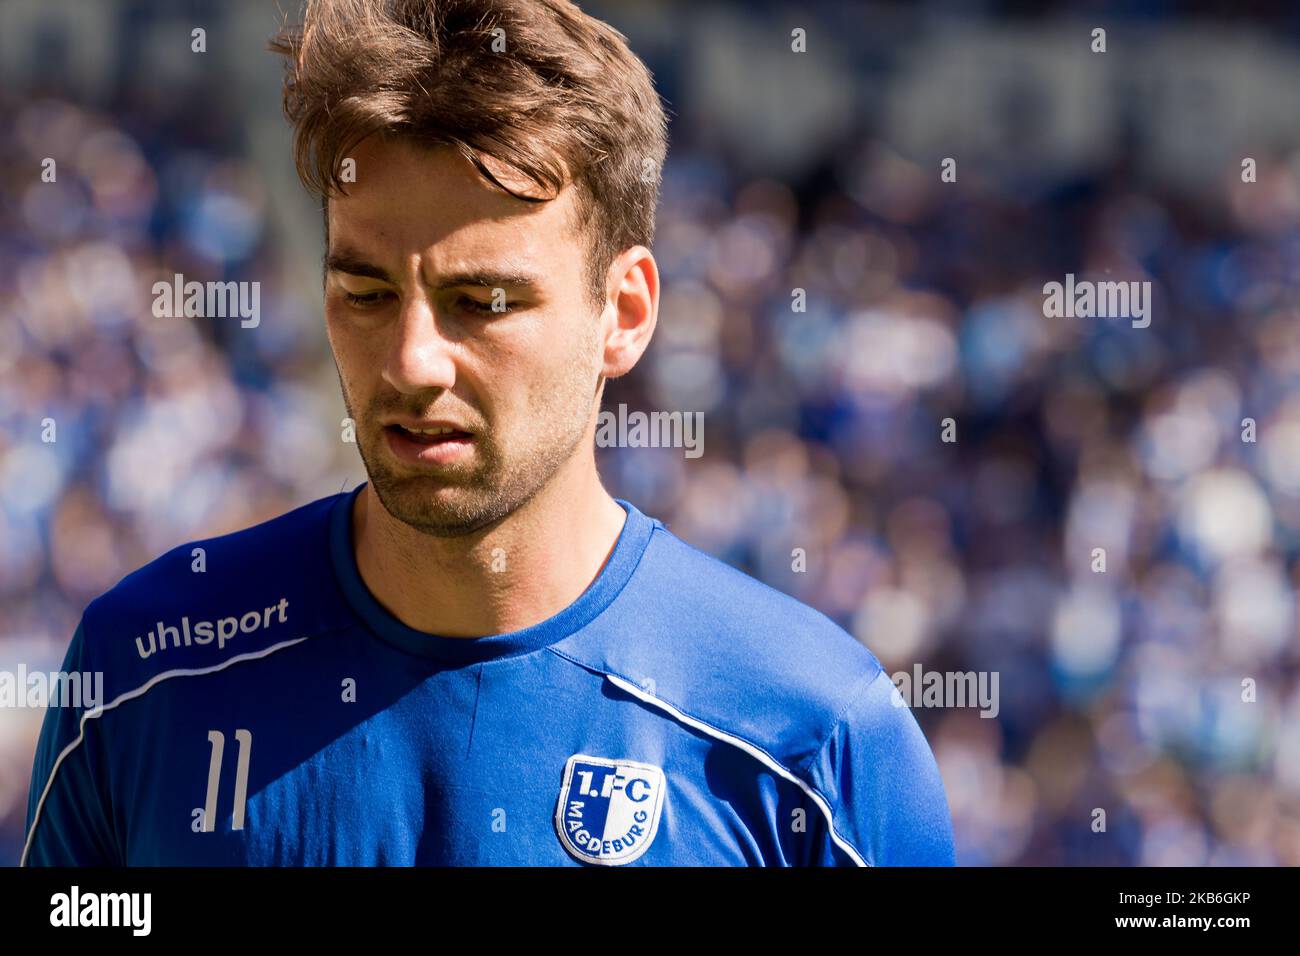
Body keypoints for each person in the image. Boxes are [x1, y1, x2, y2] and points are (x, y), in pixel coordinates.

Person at [23, 0, 954, 866]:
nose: (412, 361)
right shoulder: (144, 672)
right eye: (365, 292)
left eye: (482, 301)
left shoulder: (815, 738)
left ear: (622, 314)